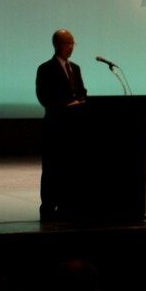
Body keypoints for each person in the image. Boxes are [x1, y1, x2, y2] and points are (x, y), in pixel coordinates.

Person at [35, 29, 87, 220]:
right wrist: (67, 104)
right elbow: (44, 96)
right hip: (55, 126)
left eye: (73, 43)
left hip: (74, 128)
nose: (70, 47)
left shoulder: (75, 68)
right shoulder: (46, 68)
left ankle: (68, 204)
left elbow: (82, 91)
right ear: (56, 44)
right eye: (67, 43)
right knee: (51, 168)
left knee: (70, 167)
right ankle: (48, 206)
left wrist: (80, 101)